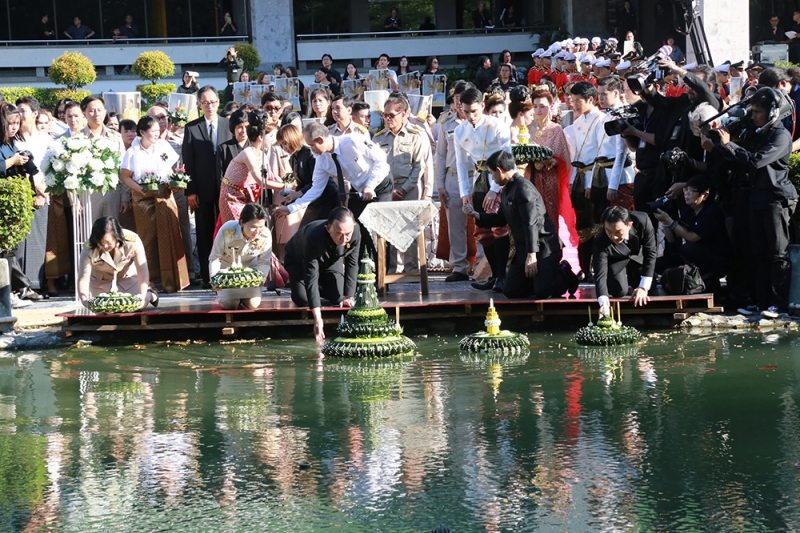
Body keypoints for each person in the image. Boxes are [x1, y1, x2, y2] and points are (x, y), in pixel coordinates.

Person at [704, 87, 797, 317]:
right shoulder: (756, 132)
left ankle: (778, 304)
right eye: (752, 111)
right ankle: (760, 301)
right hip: (756, 197)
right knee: (758, 253)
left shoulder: (780, 135)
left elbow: (755, 161)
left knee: (777, 253)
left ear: (772, 112)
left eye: (757, 112)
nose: (753, 116)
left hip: (776, 199)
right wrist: (716, 147)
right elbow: (739, 162)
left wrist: (728, 144)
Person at [464, 150, 579, 298]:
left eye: (492, 173)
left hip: (544, 247)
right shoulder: (506, 189)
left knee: (542, 292)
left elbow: (531, 224)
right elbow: (501, 219)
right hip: (524, 248)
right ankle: (537, 280)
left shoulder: (523, 189)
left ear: (500, 170)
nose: (492, 178)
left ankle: (564, 272)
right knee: (511, 291)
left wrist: (532, 255)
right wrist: (476, 215)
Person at [280, 122, 390, 259]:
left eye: (312, 145)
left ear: (320, 139)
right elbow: (316, 189)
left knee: (382, 231)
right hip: (358, 191)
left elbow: (381, 161)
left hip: (380, 185)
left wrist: (370, 185)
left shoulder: (352, 141)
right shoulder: (322, 160)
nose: (312, 149)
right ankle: (360, 268)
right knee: (355, 230)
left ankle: (384, 269)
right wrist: (291, 208)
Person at [120, 116, 189, 293]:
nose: (157, 134)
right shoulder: (132, 152)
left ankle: (172, 279)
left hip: (164, 195)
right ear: (142, 132)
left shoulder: (163, 146)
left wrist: (176, 181)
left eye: (159, 130)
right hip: (143, 199)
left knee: (170, 235)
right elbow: (126, 177)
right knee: (147, 239)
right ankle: (148, 281)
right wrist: (140, 190)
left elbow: (171, 169)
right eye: (153, 131)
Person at [454, 87, 512, 287]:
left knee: (499, 228)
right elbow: (461, 164)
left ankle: (503, 276)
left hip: (499, 179)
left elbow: (507, 158)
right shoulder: (460, 131)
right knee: (483, 231)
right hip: (478, 181)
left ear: (482, 106)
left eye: (474, 111)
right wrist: (464, 193)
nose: (470, 116)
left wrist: (495, 189)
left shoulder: (497, 125)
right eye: (465, 112)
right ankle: (494, 276)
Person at [284, 207, 361, 343]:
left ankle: (320, 290)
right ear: (328, 229)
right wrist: (318, 319)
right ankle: (303, 287)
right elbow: (311, 276)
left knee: (338, 298)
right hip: (300, 263)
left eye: (348, 234)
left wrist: (349, 297)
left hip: (330, 261)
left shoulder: (355, 232)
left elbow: (352, 264)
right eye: (339, 234)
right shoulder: (313, 236)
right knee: (303, 299)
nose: (344, 239)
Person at [374, 93, 432, 272]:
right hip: (386, 189)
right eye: (385, 115)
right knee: (388, 230)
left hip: (410, 187)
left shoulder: (416, 135)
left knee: (410, 230)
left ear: (404, 114)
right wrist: (387, 189)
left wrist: (405, 189)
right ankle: (390, 270)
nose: (387, 119)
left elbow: (419, 166)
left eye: (391, 115)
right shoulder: (378, 138)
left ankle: (412, 269)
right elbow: (374, 167)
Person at [182, 85, 232, 287]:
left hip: (226, 188)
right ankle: (207, 275)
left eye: (212, 102)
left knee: (227, 230)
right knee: (204, 232)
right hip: (201, 189)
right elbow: (188, 161)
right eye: (205, 103)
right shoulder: (192, 128)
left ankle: (227, 272)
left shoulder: (228, 125)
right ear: (199, 104)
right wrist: (191, 191)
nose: (209, 106)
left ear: (218, 102)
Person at [652, 175, 729, 291]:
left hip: (715, 259)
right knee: (659, 264)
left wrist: (669, 221)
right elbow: (673, 239)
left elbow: (692, 237)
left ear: (705, 195)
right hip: (693, 256)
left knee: (688, 248)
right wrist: (664, 221)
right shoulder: (689, 211)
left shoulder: (712, 212)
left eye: (691, 191)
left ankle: (706, 280)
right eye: (685, 190)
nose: (686, 194)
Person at [521, 88, 577, 245]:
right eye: (536, 106)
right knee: (530, 214)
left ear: (550, 106)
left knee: (549, 214)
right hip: (530, 177)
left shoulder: (556, 129)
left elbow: (564, 159)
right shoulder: (527, 128)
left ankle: (551, 251)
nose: (539, 110)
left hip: (550, 178)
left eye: (542, 106)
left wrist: (550, 161)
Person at [434, 81, 474, 282]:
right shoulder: (446, 123)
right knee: (456, 224)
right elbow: (440, 156)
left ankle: (483, 266)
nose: (459, 103)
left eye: (462, 99)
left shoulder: (480, 121)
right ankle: (459, 266)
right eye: (456, 99)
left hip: (475, 176)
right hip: (453, 177)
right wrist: (440, 185)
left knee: (481, 223)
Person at [0, 106, 39, 306]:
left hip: (14, 203)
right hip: (3, 202)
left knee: (10, 250)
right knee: (5, 251)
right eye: (10, 123)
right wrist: (11, 161)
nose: (14, 127)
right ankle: (14, 290)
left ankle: (13, 291)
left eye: (17, 123)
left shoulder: (12, 143)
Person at [78, 217, 159, 309]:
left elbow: (142, 270)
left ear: (116, 236)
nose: (105, 246)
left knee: (136, 306)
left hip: (127, 278)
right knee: (105, 309)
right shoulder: (89, 248)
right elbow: (83, 278)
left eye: (108, 242)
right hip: (101, 282)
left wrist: (142, 295)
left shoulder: (133, 241)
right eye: (101, 242)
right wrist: (85, 300)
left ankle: (150, 295)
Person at [15, 96, 51, 298]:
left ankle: (34, 285)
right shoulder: (12, 138)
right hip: (19, 192)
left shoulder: (46, 139)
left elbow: (53, 168)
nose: (20, 115)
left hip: (42, 193)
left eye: (23, 111)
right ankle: (18, 285)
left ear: (35, 113)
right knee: (18, 241)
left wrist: (42, 192)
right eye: (18, 110)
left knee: (37, 238)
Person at [593, 206, 657, 317]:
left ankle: (634, 276)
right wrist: (603, 303)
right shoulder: (600, 240)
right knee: (618, 291)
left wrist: (643, 287)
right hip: (617, 259)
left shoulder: (643, 220)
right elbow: (600, 273)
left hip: (638, 257)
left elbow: (650, 253)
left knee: (649, 288)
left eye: (618, 232)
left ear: (629, 225)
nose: (613, 236)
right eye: (609, 231)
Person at [209, 203, 272, 310]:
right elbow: (215, 257)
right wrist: (215, 280)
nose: (257, 232)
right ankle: (226, 296)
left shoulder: (265, 234)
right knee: (230, 305)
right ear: (242, 222)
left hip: (249, 271)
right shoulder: (227, 230)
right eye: (253, 227)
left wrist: (260, 279)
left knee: (252, 305)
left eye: (261, 227)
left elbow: (264, 262)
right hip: (228, 271)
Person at [276, 122, 337, 225]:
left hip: (327, 198)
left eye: (285, 143)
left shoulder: (309, 154)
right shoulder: (292, 159)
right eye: (281, 145)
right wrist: (291, 199)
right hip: (313, 201)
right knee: (305, 230)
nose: (284, 148)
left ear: (293, 138)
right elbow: (301, 184)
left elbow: (317, 182)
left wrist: (298, 194)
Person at [219, 110, 272, 225]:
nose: (243, 130)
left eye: (246, 127)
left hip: (252, 196)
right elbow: (220, 175)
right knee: (238, 228)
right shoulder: (225, 148)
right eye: (239, 127)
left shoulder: (257, 149)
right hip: (232, 197)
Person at [80, 96, 126, 221]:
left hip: (112, 193)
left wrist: (125, 197)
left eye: (99, 110)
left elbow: (123, 168)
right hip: (88, 195)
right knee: (89, 230)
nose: (96, 114)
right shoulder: (78, 138)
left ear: (105, 112)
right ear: (84, 114)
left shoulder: (115, 137)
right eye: (91, 110)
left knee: (111, 229)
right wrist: (75, 201)